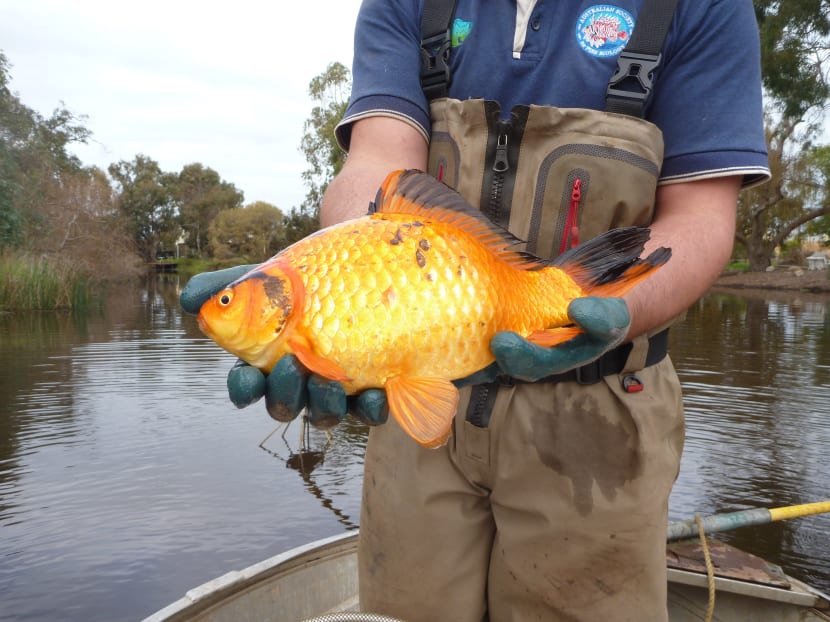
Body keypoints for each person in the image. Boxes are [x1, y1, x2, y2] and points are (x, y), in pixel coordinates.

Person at [181, 1, 770, 619]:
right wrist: (354, 267)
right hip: (418, 404)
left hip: (605, 415)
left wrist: (609, 311)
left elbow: (701, 218)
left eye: (228, 304)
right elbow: (376, 163)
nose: (218, 312)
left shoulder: (704, 7)